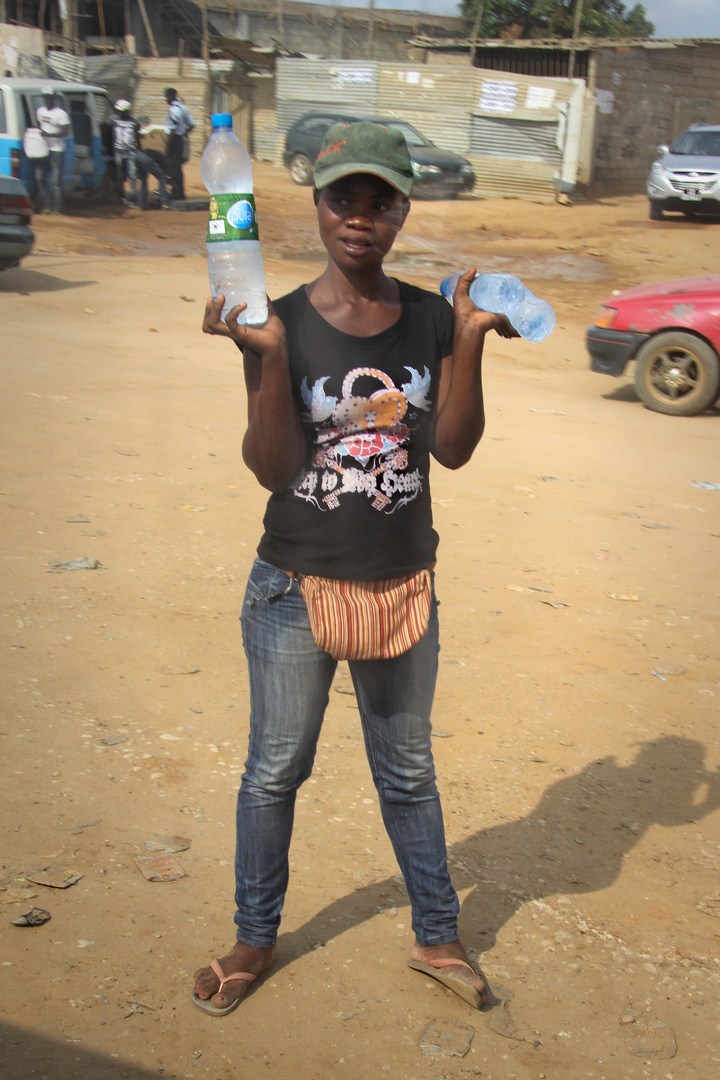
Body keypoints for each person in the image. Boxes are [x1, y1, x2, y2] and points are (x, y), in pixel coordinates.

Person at [192, 121, 518, 1017]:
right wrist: (263, 367)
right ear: (319, 203)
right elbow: (271, 468)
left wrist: (472, 338)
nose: (361, 217)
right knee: (273, 771)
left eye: (380, 202)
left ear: (403, 211)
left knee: (407, 770)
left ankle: (438, 934)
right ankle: (253, 939)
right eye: (345, 198)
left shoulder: (426, 317)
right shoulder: (278, 319)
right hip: (294, 586)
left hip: (404, 583)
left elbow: (451, 450)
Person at [35, 88, 70, 214]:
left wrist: (48, 134)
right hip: (43, 149)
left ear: (53, 98)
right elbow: (40, 127)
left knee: (56, 181)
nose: (46, 99)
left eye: (49, 97)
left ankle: (57, 208)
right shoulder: (40, 111)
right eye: (44, 97)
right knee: (39, 177)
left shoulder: (61, 114)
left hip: (57, 151)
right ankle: (48, 204)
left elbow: (65, 132)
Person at [163, 87, 194, 201]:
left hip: (174, 140)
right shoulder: (183, 108)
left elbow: (171, 129)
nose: (166, 99)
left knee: (174, 167)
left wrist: (167, 147)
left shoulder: (173, 110)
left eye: (166, 97)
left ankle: (176, 194)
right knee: (178, 168)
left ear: (171, 96)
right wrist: (184, 134)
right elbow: (191, 124)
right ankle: (180, 193)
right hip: (180, 139)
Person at [111, 99, 140, 206]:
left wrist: (138, 147)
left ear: (127, 111)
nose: (119, 112)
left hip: (130, 152)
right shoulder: (113, 120)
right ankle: (121, 197)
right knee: (119, 176)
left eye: (121, 111)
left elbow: (137, 135)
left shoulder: (134, 122)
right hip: (118, 151)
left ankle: (132, 198)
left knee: (133, 175)